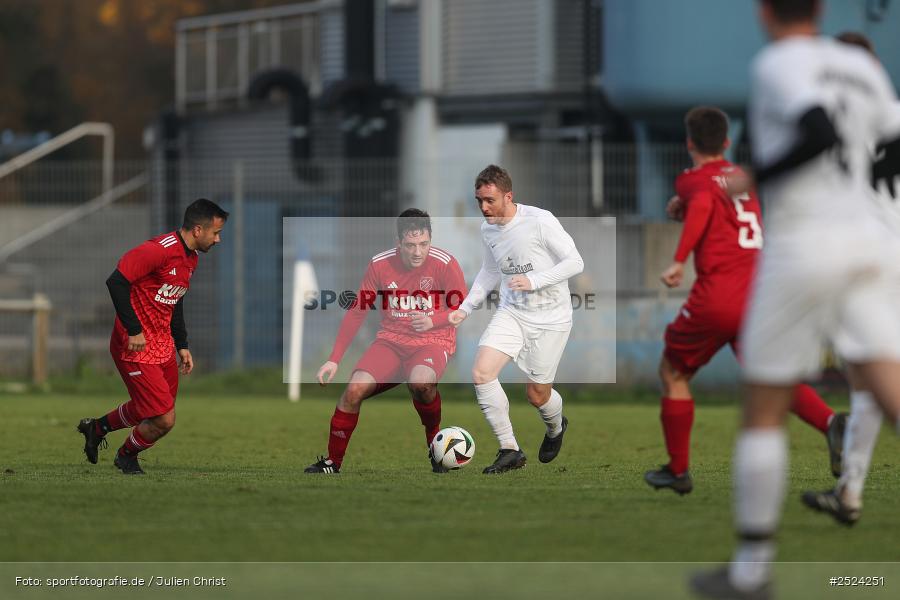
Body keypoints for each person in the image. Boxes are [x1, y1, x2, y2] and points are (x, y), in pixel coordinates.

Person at [691, 1, 900, 598]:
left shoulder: (779, 62)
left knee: (763, 404)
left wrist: (756, 174)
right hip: (873, 246)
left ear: (764, 11)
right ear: (822, 8)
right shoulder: (865, 72)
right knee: (886, 387)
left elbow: (817, 131)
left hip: (809, 245)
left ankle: (751, 573)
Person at [645, 106, 845, 496]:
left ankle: (678, 469)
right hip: (758, 291)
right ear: (727, 141)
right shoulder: (742, 177)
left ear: (689, 143)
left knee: (673, 373)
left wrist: (678, 259)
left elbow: (703, 204)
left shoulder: (690, 179)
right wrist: (684, 207)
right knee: (767, 375)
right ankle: (832, 422)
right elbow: (718, 210)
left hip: (719, 294)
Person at [802, 31, 900, 526]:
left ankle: (851, 492)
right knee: (867, 383)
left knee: (873, 382)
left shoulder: (834, 134)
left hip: (870, 267)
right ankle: (850, 492)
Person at [304, 209, 467, 474]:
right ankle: (333, 464)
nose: (418, 252)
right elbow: (358, 310)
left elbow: (462, 307)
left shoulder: (445, 263)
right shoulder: (380, 264)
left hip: (432, 341)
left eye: (424, 244)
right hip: (390, 343)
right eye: (411, 245)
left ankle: (435, 445)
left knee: (421, 383)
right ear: (398, 242)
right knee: (353, 391)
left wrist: (433, 321)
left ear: (430, 240)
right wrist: (334, 359)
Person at [448, 165, 584, 474]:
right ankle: (509, 449)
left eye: (490, 200)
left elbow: (575, 261)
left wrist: (533, 281)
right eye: (479, 200)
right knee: (482, 373)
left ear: (508, 196)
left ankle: (555, 427)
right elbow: (490, 271)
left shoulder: (540, 221)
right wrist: (465, 308)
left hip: (551, 319)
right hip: (512, 312)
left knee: (537, 396)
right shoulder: (487, 230)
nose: (484, 207)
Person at [77, 198, 228, 475]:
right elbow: (116, 282)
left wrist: (182, 344)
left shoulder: (190, 258)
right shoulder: (157, 250)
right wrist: (133, 329)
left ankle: (96, 428)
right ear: (197, 230)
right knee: (164, 419)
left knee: (153, 408)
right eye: (215, 233)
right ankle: (125, 456)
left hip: (162, 344)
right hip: (134, 344)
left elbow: (175, 299)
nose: (218, 240)